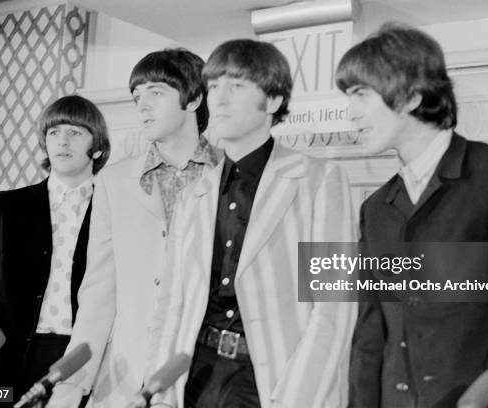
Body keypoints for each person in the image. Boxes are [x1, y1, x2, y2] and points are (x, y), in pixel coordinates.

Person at [337, 22, 488, 407]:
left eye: (360, 94)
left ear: (413, 96)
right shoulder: (375, 209)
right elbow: (370, 338)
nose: (349, 113)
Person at [144, 39, 357, 408]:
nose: (219, 99)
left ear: (272, 102)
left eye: (237, 86)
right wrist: (159, 388)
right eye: (213, 87)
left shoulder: (318, 180)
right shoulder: (194, 194)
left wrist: (297, 397)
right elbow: (170, 305)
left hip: (271, 380)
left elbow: (333, 308)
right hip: (195, 374)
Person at [46, 48, 219, 408]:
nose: (142, 106)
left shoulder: (229, 175)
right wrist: (69, 390)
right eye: (137, 96)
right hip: (126, 377)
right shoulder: (114, 180)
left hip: (207, 375)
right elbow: (98, 292)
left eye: (156, 93)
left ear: (195, 98)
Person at [0, 94, 111, 406]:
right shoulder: (8, 206)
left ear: (97, 147)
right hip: (9, 360)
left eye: (74, 132)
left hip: (80, 359)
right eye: (54, 132)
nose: (62, 141)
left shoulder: (113, 209)